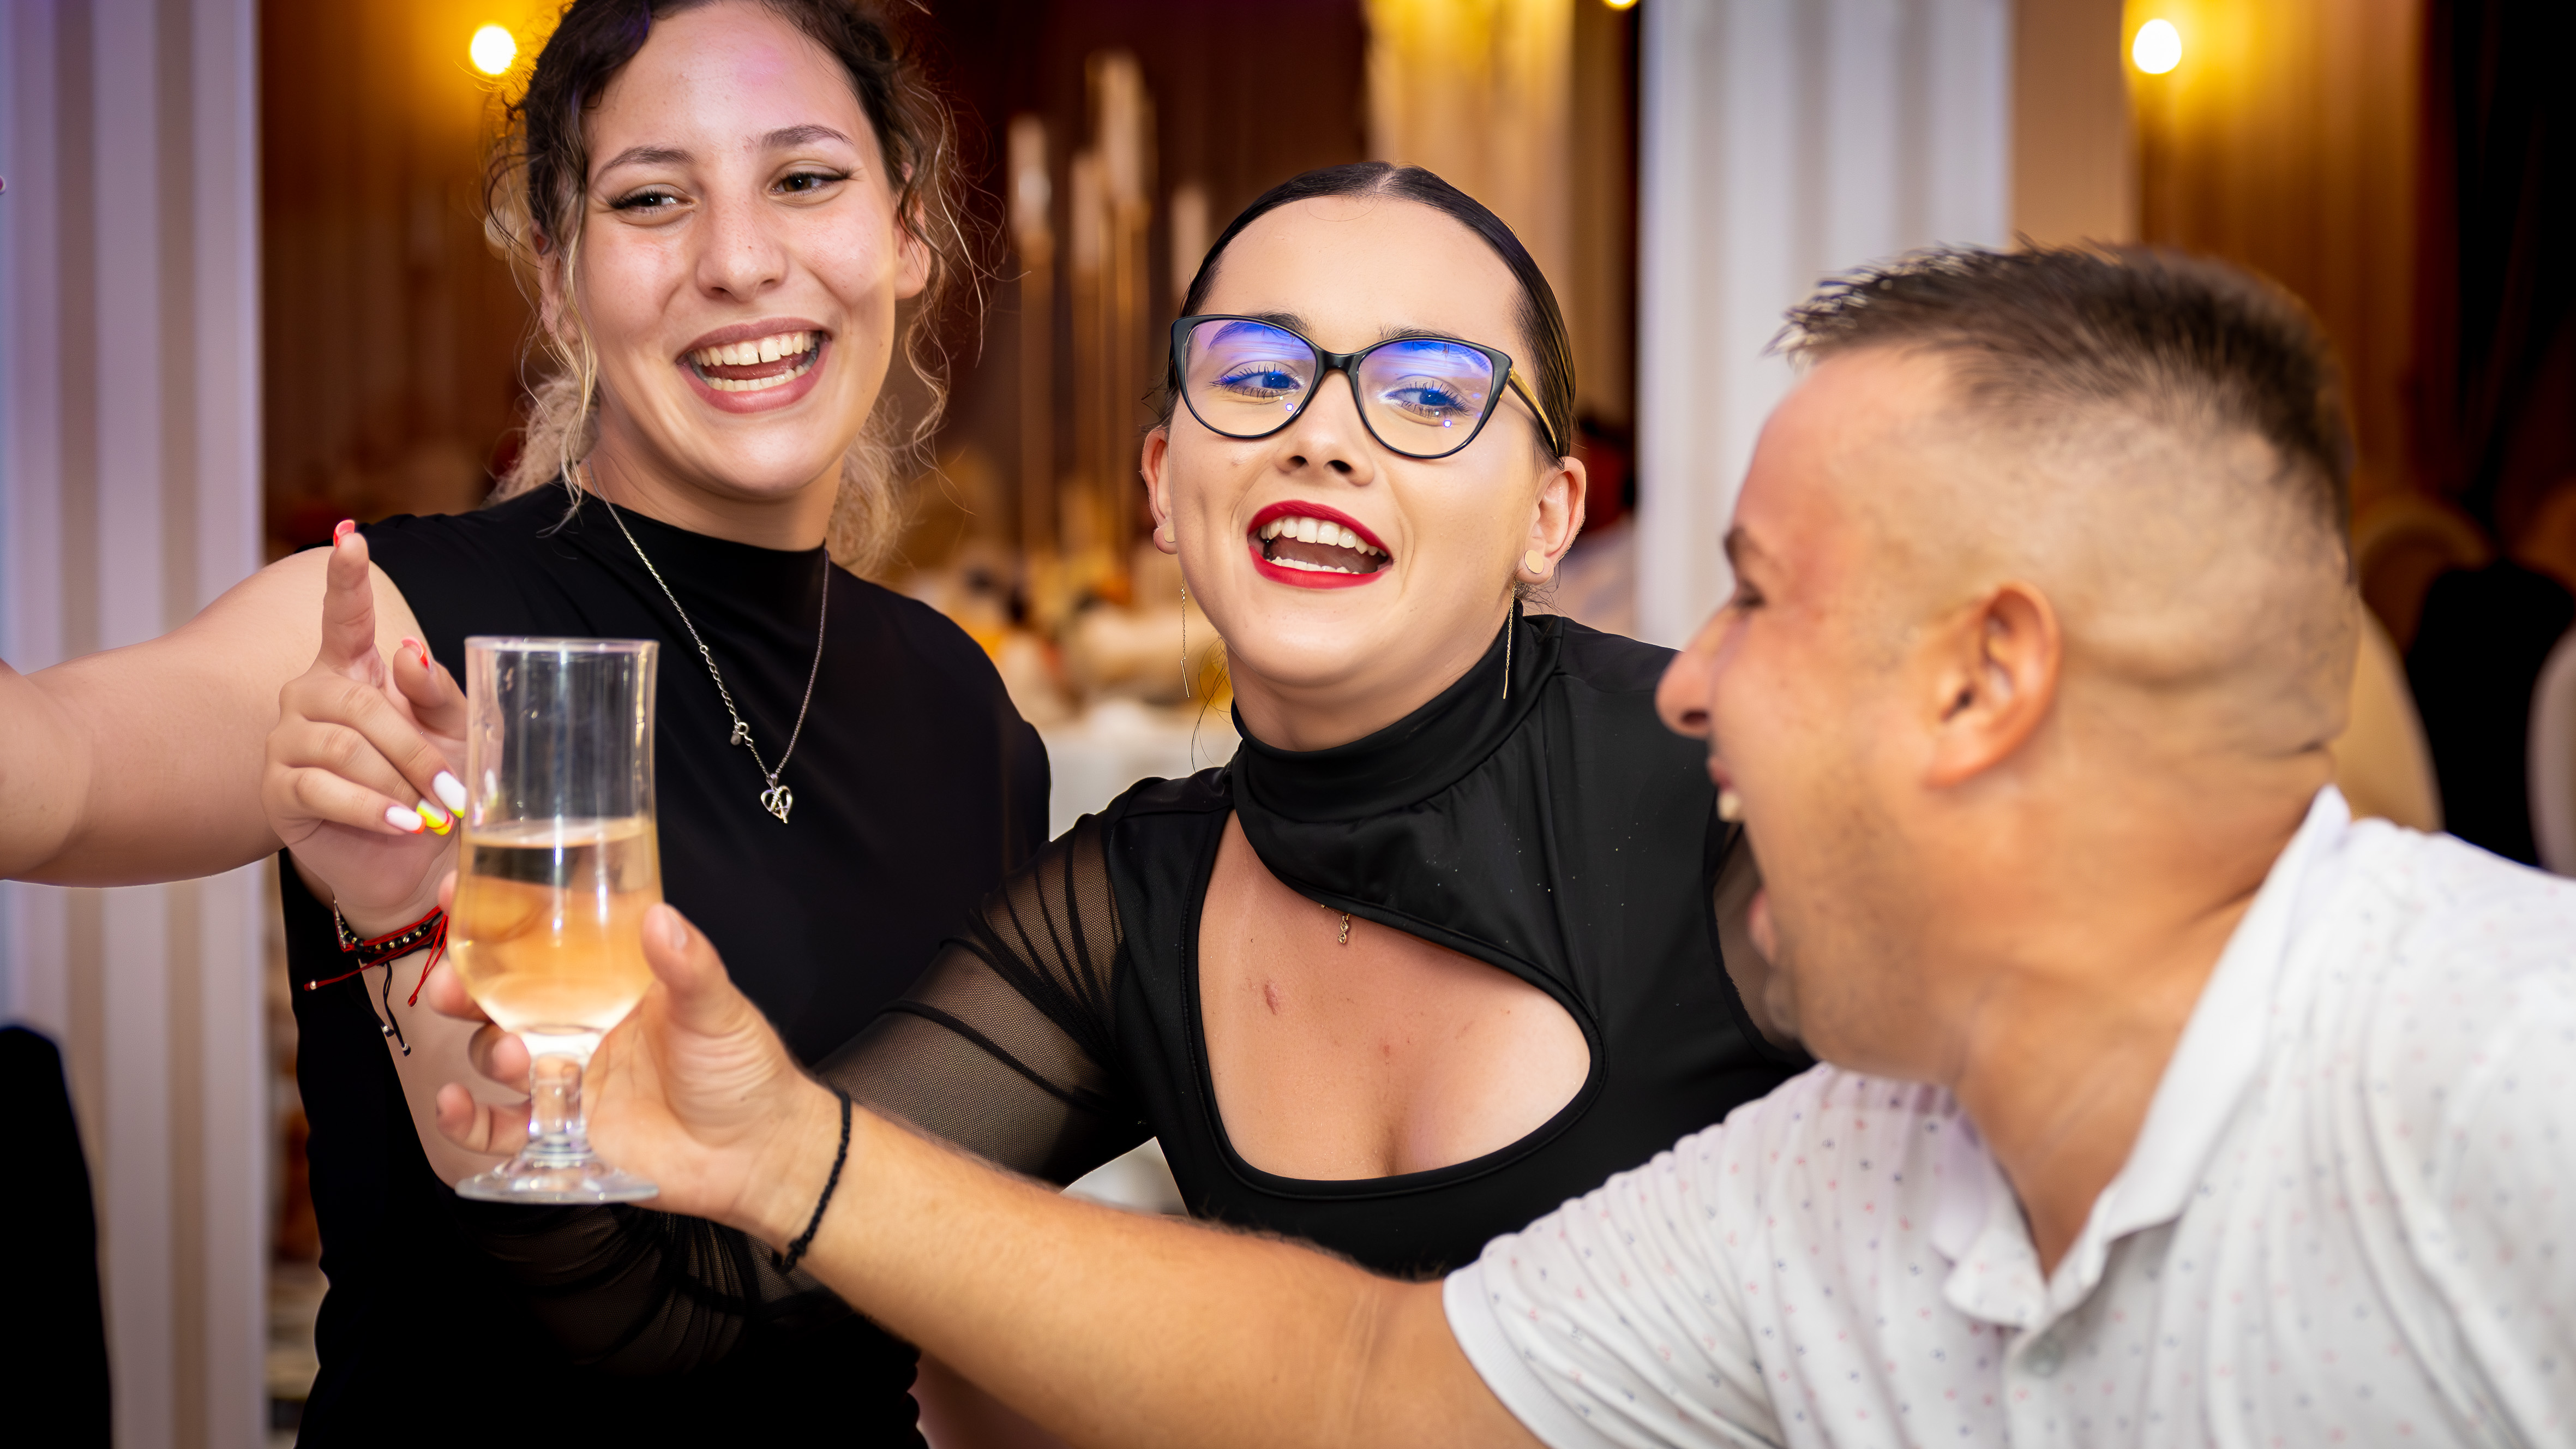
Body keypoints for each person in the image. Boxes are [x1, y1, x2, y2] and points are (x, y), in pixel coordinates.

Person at [551, 246, 2576, 1447]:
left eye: (1754, 596)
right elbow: (1367, 1383)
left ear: (1983, 681)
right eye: (1255, 377)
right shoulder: (1858, 1170)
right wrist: (776, 1151)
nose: (1689, 683)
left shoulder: (2509, 1076)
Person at [429, 161, 1810, 1386]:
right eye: (1255, 373)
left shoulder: (1731, 789)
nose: (1322, 433)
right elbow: (685, 1304)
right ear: (1163, 482)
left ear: (1548, 516)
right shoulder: (1133, 903)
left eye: (1428, 393)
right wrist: (417, 912)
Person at [2, 2, 1047, 1441]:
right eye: (652, 200)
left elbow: (957, 1299)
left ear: (908, 229)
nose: (740, 259)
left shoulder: (967, 714)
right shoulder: (396, 625)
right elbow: (52, 772)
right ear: (557, 282)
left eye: (804, 179)